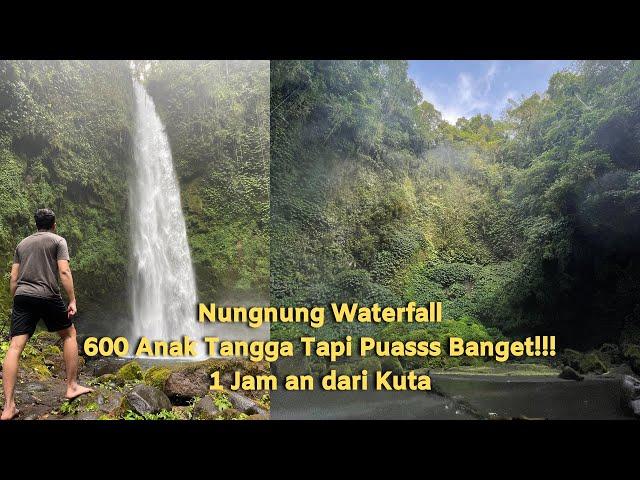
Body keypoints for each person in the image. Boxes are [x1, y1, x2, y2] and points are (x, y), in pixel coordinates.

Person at [1, 208, 92, 420]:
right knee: (69, 334)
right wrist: (72, 299)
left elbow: (13, 278)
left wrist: (17, 300)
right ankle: (71, 386)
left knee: (15, 346)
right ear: (54, 224)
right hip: (47, 294)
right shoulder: (58, 241)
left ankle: (8, 407)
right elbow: (63, 271)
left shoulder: (22, 244)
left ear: (36, 225)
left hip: (23, 295)